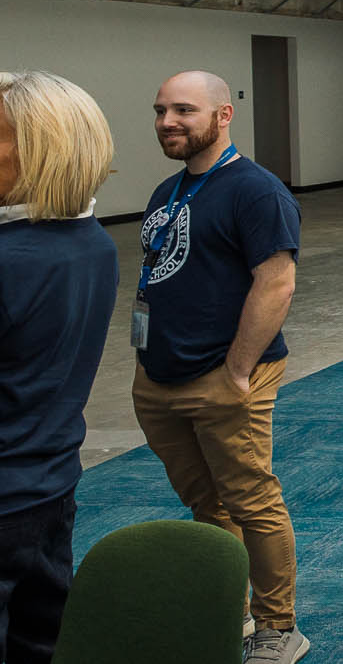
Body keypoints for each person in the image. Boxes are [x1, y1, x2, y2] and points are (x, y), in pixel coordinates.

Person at [132, 71, 307, 664]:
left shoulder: (256, 191)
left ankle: (278, 626)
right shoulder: (169, 190)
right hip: (161, 377)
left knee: (252, 500)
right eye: (160, 111)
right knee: (207, 502)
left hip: (224, 375)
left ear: (223, 115)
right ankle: (229, 610)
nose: (167, 122)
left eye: (183, 109)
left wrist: (237, 371)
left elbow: (276, 282)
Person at [0, 71, 118, 664]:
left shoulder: (11, 258)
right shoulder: (92, 242)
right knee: (39, 642)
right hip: (49, 486)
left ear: (37, 153)